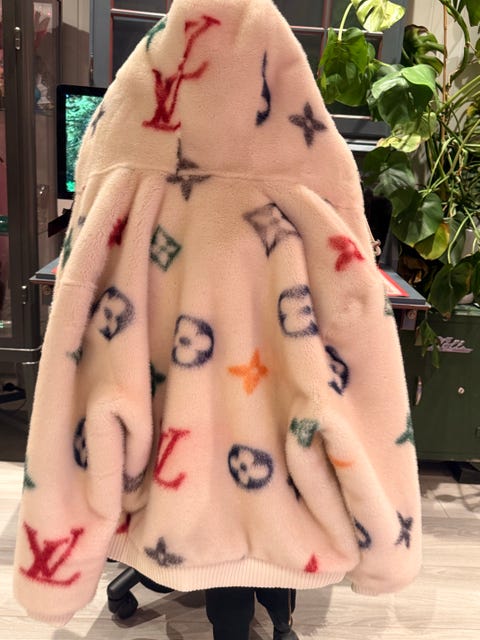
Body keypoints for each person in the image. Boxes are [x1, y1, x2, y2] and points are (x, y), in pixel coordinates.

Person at [13, 0, 422, 637]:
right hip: (283, 491)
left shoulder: (118, 126)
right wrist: (386, 541)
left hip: (154, 485)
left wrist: (57, 569)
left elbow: (74, 364)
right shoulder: (310, 147)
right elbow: (359, 339)